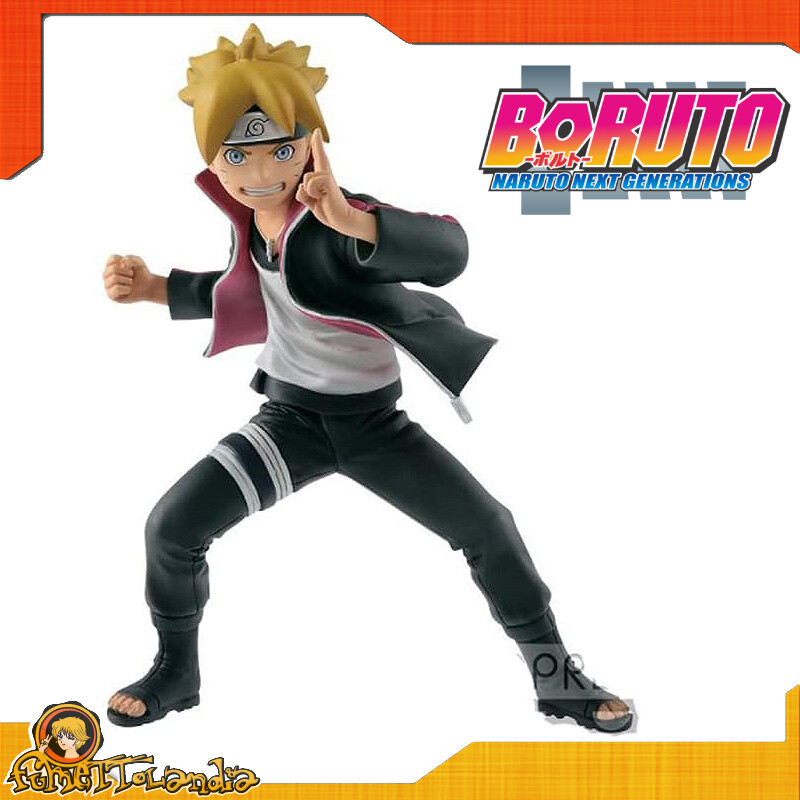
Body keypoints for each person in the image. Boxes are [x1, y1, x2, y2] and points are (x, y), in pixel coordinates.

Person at [104, 24, 633, 733]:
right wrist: (154, 289)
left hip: (376, 429)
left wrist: (352, 218)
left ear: (313, 145)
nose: (260, 170)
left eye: (281, 150)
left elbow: (448, 249)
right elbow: (239, 288)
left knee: (489, 528)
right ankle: (177, 671)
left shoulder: (336, 220)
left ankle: (556, 677)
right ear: (214, 163)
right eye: (238, 155)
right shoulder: (249, 225)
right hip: (289, 425)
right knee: (171, 528)